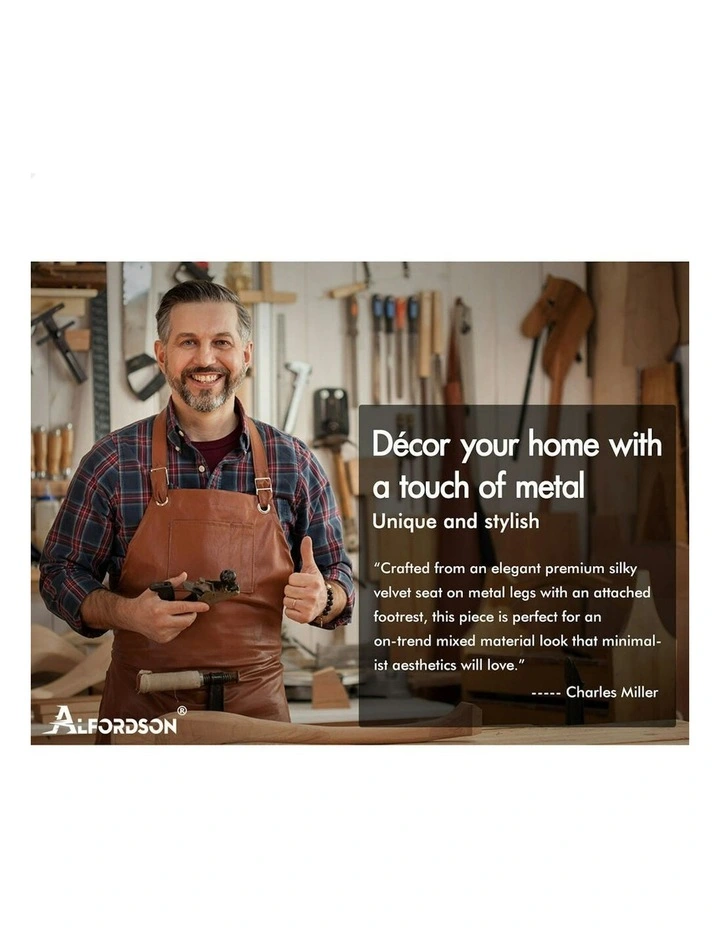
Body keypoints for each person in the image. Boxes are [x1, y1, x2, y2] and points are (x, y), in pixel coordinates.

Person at [40, 279, 354, 729]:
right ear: (162, 354)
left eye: (221, 342)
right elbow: (58, 574)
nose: (206, 359)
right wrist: (127, 613)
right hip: (145, 714)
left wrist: (325, 597)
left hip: (257, 716)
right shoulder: (112, 461)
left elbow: (339, 580)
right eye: (188, 342)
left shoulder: (295, 462)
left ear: (245, 354)